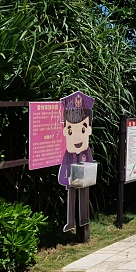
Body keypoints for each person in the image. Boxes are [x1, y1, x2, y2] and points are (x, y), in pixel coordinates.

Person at [58, 91, 94, 232]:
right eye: (72, 131)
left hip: (83, 176)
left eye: (83, 129)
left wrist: (90, 174)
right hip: (70, 178)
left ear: (89, 130)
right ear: (66, 131)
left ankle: (84, 218)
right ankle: (70, 222)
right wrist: (66, 179)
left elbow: (90, 163)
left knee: (84, 195)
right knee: (71, 197)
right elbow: (62, 170)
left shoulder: (86, 151)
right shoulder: (68, 153)